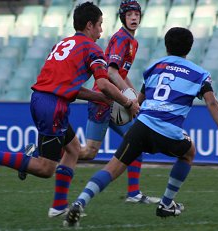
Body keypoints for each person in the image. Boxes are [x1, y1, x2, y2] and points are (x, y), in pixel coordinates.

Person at [0, 1, 140, 218]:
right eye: (100, 25)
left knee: (74, 149)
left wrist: (100, 98)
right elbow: (104, 83)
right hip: (53, 106)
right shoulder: (92, 49)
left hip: (43, 99)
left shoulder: (64, 44)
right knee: (46, 168)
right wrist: (127, 102)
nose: (101, 30)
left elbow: (73, 89)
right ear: (89, 25)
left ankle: (58, 206)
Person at [64, 27, 218, 227]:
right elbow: (212, 103)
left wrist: (131, 110)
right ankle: (166, 204)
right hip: (168, 130)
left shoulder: (155, 67)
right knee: (189, 152)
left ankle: (80, 201)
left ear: (166, 46)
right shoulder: (199, 74)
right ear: (189, 48)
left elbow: (140, 99)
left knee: (112, 168)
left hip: (142, 125)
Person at [79, 0, 159, 204]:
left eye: (137, 14)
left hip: (116, 101)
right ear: (123, 17)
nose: (134, 17)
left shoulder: (133, 41)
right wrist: (128, 98)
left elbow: (121, 74)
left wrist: (132, 94)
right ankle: (42, 151)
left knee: (137, 140)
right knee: (88, 152)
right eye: (129, 14)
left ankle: (133, 193)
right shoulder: (121, 39)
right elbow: (112, 73)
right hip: (103, 100)